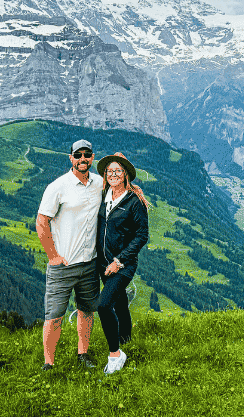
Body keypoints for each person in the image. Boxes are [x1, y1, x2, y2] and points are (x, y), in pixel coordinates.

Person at [36, 139, 103, 370]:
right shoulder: (58, 186)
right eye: (78, 155)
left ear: (92, 157)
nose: (83, 159)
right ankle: (49, 363)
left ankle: (82, 353)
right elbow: (42, 221)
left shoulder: (99, 183)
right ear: (71, 158)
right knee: (54, 316)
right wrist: (53, 256)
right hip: (63, 265)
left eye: (87, 154)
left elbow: (120, 185)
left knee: (87, 311)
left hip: (90, 262)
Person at [95, 152, 150, 374]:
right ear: (105, 174)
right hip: (102, 262)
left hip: (123, 264)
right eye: (110, 171)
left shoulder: (133, 202)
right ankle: (126, 339)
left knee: (103, 305)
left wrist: (120, 261)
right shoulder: (103, 195)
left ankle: (116, 355)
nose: (114, 174)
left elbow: (141, 236)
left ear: (125, 174)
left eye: (118, 170)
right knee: (118, 302)